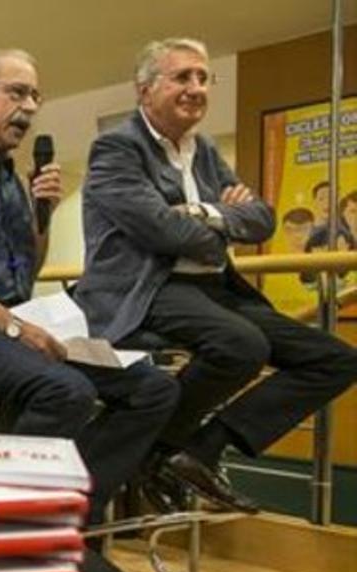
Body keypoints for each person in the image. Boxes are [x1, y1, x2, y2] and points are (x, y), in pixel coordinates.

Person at [0, 48, 184, 523]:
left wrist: (41, 215)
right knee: (65, 392)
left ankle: (73, 510)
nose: (28, 106)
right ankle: (7, 520)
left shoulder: (9, 176)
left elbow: (26, 269)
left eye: (35, 96)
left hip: (7, 325)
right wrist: (11, 327)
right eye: (16, 92)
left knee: (153, 389)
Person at [76, 38, 357, 511]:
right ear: (144, 91)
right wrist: (221, 227)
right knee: (241, 344)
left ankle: (195, 451)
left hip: (214, 288)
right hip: (148, 288)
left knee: (334, 359)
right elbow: (162, 232)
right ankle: (157, 451)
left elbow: (263, 219)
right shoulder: (116, 149)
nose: (197, 87)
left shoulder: (203, 151)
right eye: (182, 77)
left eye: (204, 77)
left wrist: (201, 213)